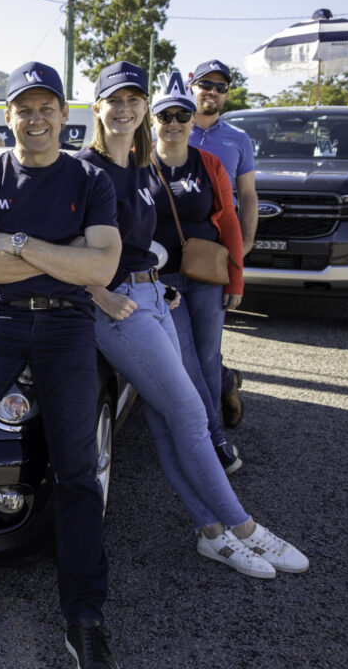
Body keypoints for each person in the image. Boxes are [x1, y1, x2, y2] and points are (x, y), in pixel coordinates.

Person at [0, 62, 123, 669]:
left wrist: (19, 244)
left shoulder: (90, 180)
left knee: (76, 466)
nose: (35, 119)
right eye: (24, 109)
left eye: (47, 109)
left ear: (65, 116)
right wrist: (66, 258)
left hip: (66, 325)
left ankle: (83, 613)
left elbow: (101, 271)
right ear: (6, 117)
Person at [76, 64, 307, 588]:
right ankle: (244, 527)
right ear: (98, 108)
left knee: (164, 421)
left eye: (135, 101)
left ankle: (210, 530)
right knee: (187, 410)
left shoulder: (137, 166)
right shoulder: (84, 170)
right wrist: (98, 293)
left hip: (155, 293)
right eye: (116, 101)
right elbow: (63, 249)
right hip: (118, 310)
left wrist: (158, 279)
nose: (126, 110)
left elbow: (141, 242)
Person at [152, 71, 246, 474]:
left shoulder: (208, 163)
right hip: (163, 282)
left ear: (193, 121)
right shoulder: (138, 166)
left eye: (181, 115)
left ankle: (212, 436)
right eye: (165, 116)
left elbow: (229, 223)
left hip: (208, 275)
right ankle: (211, 439)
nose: (173, 123)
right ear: (152, 121)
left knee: (209, 359)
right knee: (186, 363)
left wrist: (237, 279)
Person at [188, 60, 256, 428]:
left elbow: (247, 197)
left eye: (220, 86)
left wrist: (242, 248)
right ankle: (225, 381)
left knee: (205, 346)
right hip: (166, 250)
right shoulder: (165, 126)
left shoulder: (239, 139)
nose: (211, 92)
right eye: (205, 84)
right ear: (191, 85)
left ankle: (208, 431)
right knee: (175, 342)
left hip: (215, 250)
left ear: (226, 94)